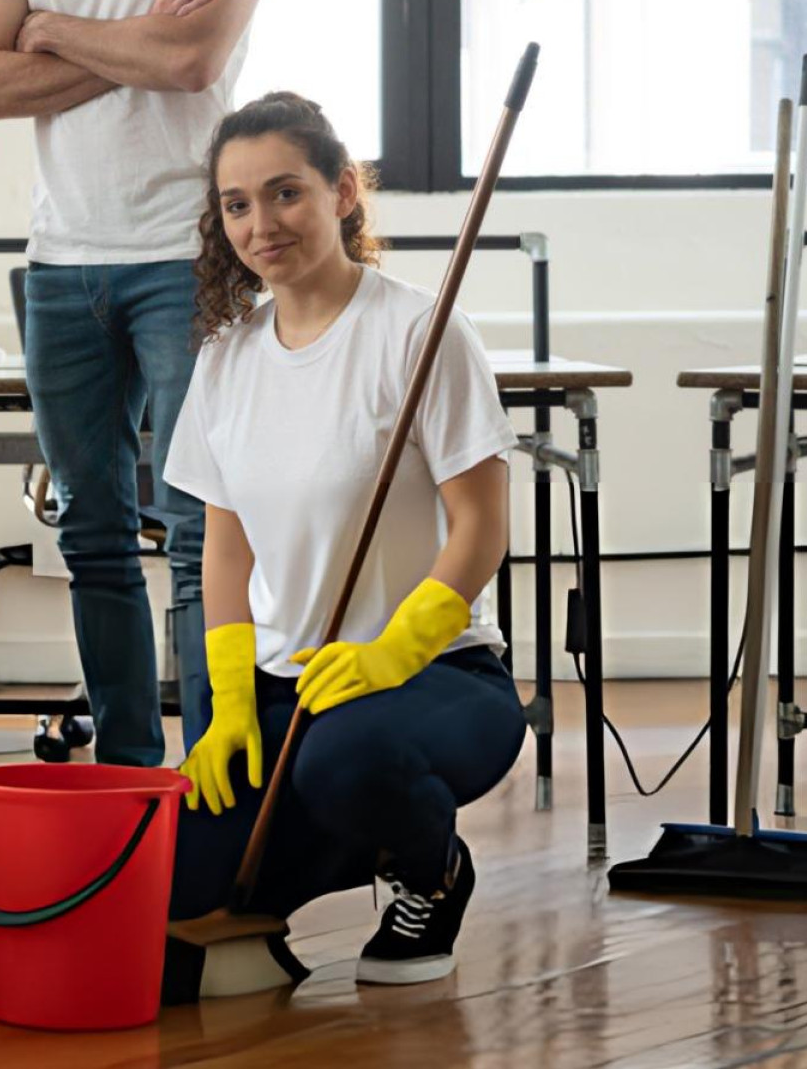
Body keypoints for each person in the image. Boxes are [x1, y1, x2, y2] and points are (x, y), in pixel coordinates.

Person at [0, 0, 277, 765]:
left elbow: (194, 61)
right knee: (91, 533)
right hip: (61, 263)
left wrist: (55, 27)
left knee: (197, 529)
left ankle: (213, 772)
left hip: (184, 255)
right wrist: (129, 35)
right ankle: (132, 771)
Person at [165, 92, 523, 984]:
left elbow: (481, 526)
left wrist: (397, 649)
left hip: (434, 682)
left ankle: (429, 871)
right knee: (175, 894)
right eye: (236, 204)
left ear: (342, 192)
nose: (260, 223)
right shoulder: (226, 356)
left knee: (349, 759)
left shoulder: (418, 331)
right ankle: (332, 842)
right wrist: (229, 703)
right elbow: (226, 548)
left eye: (285, 193)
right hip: (289, 690)